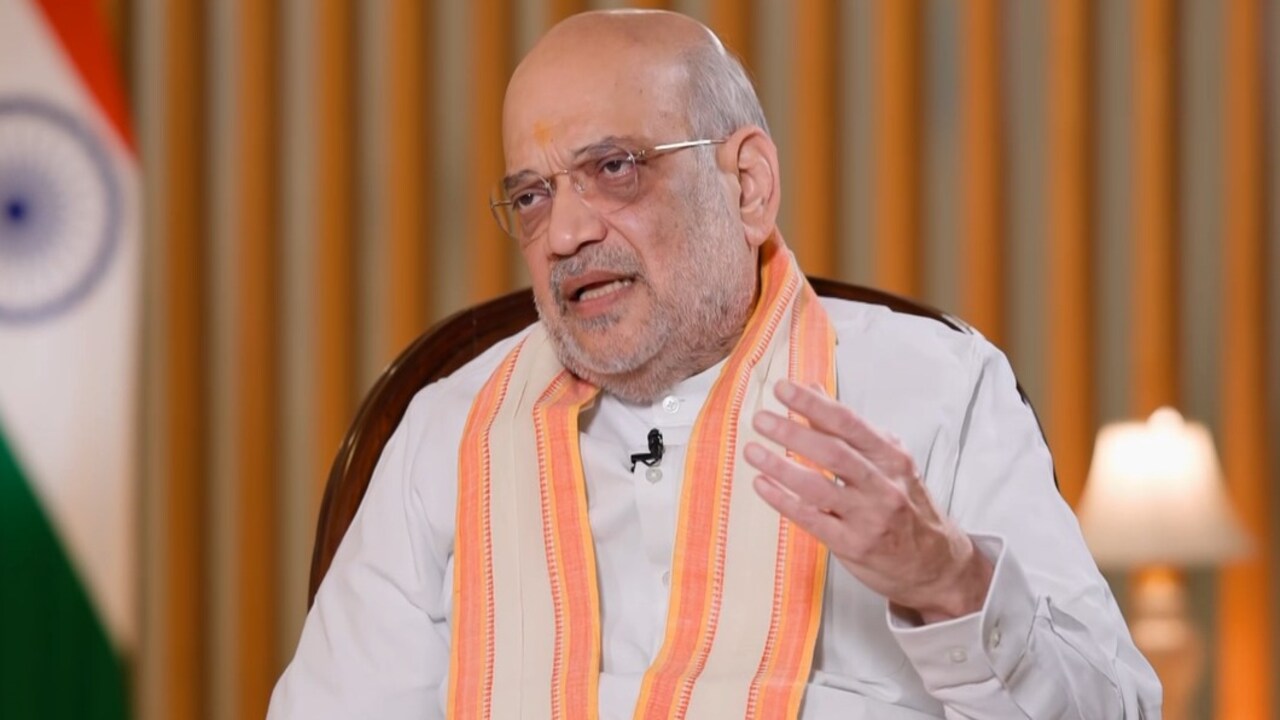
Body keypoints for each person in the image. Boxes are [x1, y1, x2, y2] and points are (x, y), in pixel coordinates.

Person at [269, 9, 1160, 719]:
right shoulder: (447, 430)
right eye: (532, 197)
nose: (566, 232)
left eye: (614, 167)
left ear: (746, 186)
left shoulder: (936, 387)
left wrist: (949, 581)